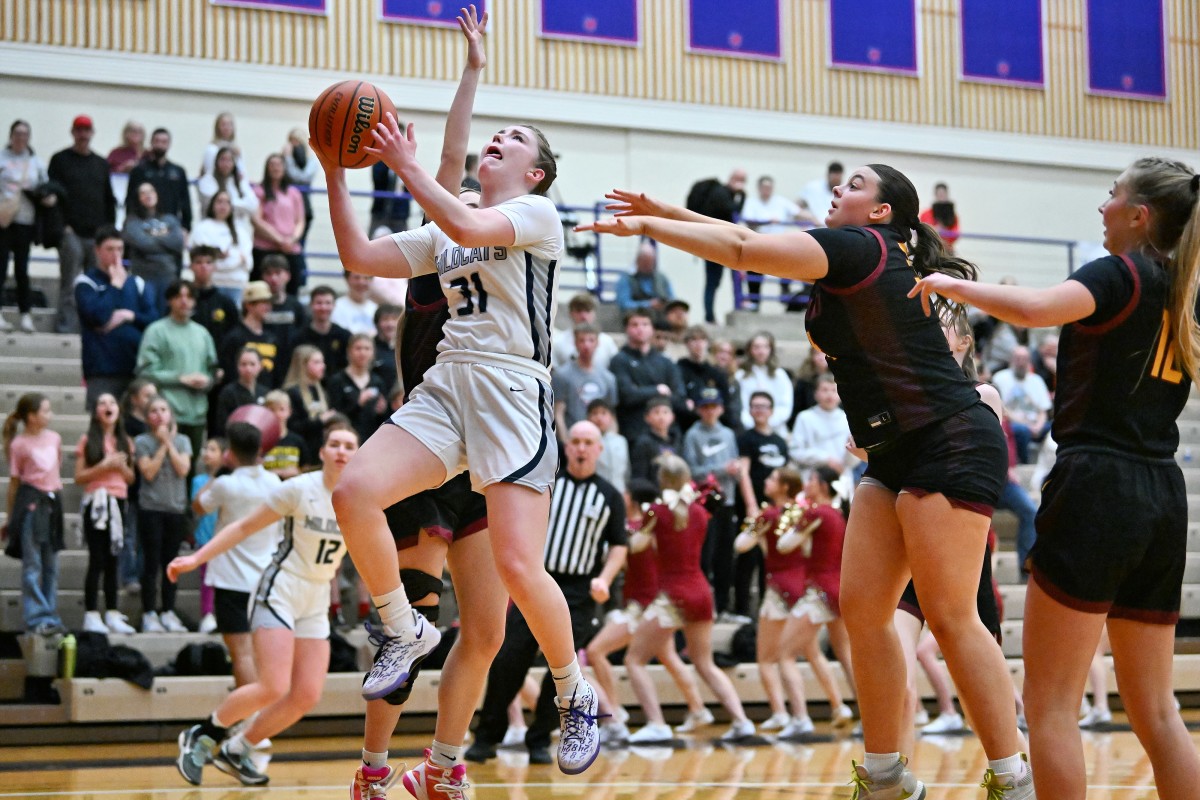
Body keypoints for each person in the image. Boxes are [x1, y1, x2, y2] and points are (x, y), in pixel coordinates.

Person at [582, 164, 1030, 798]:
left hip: (948, 437)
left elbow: (741, 249)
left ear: (880, 213)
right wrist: (664, 208)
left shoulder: (861, 248)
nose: (838, 191)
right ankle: (885, 778)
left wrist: (649, 227)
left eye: (854, 186)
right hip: (892, 448)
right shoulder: (852, 251)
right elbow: (742, 235)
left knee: (954, 618)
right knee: (865, 613)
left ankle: (1013, 780)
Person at [317, 67, 606, 774]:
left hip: (511, 392)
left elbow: (468, 218)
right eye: (494, 134)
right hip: (448, 387)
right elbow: (359, 255)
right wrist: (333, 172)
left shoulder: (538, 217)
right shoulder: (447, 227)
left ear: (535, 173)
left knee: (514, 565)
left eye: (513, 140)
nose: (496, 141)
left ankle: (574, 693)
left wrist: (406, 163)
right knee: (353, 491)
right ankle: (401, 627)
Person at [909, 156, 1200, 800]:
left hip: (1099, 485)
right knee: (1157, 712)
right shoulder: (1182, 287)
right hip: (1161, 492)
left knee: (1049, 707)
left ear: (1139, 214)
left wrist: (954, 287)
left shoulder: (1119, 273)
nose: (1102, 206)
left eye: (1112, 194)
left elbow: (1038, 307)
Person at [172, 425, 360, 787]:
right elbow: (243, 527)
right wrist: (196, 559)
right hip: (280, 591)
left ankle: (240, 747)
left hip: (316, 598)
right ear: (320, 452)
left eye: (349, 446)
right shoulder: (296, 489)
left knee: (306, 694)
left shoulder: (359, 498)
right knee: (273, 685)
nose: (340, 451)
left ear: (358, 454)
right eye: (333, 444)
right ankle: (203, 734)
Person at [465, 420, 627, 765]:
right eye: (577, 442)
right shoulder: (546, 484)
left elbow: (618, 547)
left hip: (581, 593)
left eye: (589, 442)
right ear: (567, 448)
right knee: (510, 659)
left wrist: (605, 578)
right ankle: (486, 737)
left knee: (562, 669)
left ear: (599, 449)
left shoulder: (610, 496)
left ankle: (539, 739)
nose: (582, 448)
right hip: (538, 581)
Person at [624, 454, 756, 743]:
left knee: (634, 659)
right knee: (704, 663)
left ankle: (657, 724)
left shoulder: (657, 511)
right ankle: (742, 721)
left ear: (662, 482)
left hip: (672, 596)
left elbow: (636, 546)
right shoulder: (699, 512)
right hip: (701, 591)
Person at [191, 422, 282, 687]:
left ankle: (249, 718)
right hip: (265, 578)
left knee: (241, 654)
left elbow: (198, 505)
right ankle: (259, 717)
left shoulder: (224, 484)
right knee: (258, 653)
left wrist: (217, 471)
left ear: (229, 452)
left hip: (231, 581)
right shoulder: (274, 481)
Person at [682, 387, 751, 621]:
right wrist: (723, 469)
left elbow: (735, 468)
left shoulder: (728, 434)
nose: (710, 411)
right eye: (705, 407)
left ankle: (722, 607)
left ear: (721, 408)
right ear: (700, 409)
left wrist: (736, 472)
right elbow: (691, 472)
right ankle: (704, 606)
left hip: (727, 501)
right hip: (704, 504)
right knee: (705, 555)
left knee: (725, 556)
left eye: (714, 407)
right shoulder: (692, 435)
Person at [3, 393, 66, 636]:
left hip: (52, 504)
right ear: (31, 417)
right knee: (33, 565)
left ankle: (49, 613)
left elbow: (55, 469)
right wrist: (10, 518)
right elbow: (15, 483)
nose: (49, 415)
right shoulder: (19, 444)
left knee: (52, 564)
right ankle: (36, 616)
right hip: (30, 505)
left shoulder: (54, 438)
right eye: (45, 411)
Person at [75, 393, 137, 635]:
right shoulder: (87, 440)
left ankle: (112, 612)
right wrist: (103, 466)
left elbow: (131, 478)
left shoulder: (126, 441)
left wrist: (120, 466)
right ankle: (91, 614)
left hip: (118, 502)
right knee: (97, 559)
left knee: (114, 560)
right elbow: (79, 477)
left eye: (112, 403)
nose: (107, 406)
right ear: (96, 412)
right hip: (97, 501)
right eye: (102, 403)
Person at [75, 226, 158, 408]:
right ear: (97, 250)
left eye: (119, 249)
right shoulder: (86, 283)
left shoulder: (137, 283)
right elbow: (97, 317)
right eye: (110, 249)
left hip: (135, 368)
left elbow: (153, 320)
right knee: (102, 424)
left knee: (135, 425)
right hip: (102, 369)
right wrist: (115, 286)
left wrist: (129, 315)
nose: (116, 255)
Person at [49, 115, 117, 333]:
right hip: (71, 232)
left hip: (96, 235)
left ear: (92, 133)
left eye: (86, 130)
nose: (83, 134)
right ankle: (66, 326)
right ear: (73, 133)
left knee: (95, 282)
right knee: (70, 281)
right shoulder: (59, 160)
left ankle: (91, 325)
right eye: (79, 130)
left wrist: (108, 232)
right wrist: (62, 228)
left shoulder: (100, 163)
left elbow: (108, 198)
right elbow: (53, 198)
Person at [136, 279, 218, 456]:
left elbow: (213, 370)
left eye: (189, 296)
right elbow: (145, 371)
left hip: (197, 412)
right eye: (179, 296)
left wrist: (207, 380)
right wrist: (179, 378)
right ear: (169, 300)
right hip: (166, 412)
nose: (184, 301)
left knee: (191, 466)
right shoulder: (156, 331)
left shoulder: (202, 333)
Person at [133, 396, 192, 633]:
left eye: (163, 409)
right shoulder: (142, 441)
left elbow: (183, 469)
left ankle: (168, 611)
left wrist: (169, 443)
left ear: (171, 414)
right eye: (154, 411)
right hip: (151, 509)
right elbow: (148, 472)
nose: (159, 414)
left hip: (175, 509)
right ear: (148, 418)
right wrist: (161, 445)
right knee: (151, 562)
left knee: (172, 563)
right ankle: (149, 613)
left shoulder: (183, 440)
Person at [0, 120, 51, 333]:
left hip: (26, 221)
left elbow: (46, 187)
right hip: (3, 220)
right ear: (11, 135)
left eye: (25, 134)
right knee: (0, 267)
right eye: (17, 133)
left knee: (22, 269)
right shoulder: (2, 158)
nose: (21, 138)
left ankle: (25, 314)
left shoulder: (36, 163)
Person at [610, 309, 686, 442]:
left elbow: (679, 396)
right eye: (635, 325)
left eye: (645, 324)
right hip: (634, 431)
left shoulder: (665, 362)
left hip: (667, 433)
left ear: (652, 329)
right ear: (626, 329)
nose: (640, 329)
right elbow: (627, 395)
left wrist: (640, 391)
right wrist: (658, 390)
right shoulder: (619, 360)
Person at [685, 169, 745, 324]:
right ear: (732, 179)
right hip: (717, 244)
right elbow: (733, 209)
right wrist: (743, 195)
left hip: (716, 243)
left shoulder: (720, 193)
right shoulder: (721, 193)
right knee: (713, 282)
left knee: (723, 279)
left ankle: (717, 314)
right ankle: (710, 316)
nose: (741, 184)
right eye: (739, 180)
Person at [740, 175, 804, 310]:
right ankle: (754, 303)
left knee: (789, 264)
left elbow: (798, 212)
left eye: (769, 187)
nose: (767, 190)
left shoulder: (780, 201)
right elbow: (748, 220)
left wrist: (815, 220)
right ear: (759, 188)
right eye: (764, 187)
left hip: (779, 243)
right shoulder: (752, 202)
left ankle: (784, 290)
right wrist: (768, 221)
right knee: (755, 273)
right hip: (759, 243)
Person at [123, 181, 186, 315]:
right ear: (137, 198)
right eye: (143, 192)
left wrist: (151, 235)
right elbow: (142, 244)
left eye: (151, 191)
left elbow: (178, 243)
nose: (148, 195)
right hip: (144, 276)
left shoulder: (170, 219)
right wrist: (164, 239)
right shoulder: (132, 221)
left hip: (168, 276)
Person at [250, 154, 306, 292]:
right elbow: (256, 220)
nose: (276, 168)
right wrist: (279, 240)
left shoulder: (294, 193)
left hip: (290, 248)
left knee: (293, 288)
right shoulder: (259, 191)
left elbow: (300, 221)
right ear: (267, 169)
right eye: (272, 165)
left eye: (279, 164)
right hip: (265, 248)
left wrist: (292, 239)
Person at [552, 323, 617, 438]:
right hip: (574, 436)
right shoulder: (562, 375)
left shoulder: (608, 377)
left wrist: (612, 440)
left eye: (591, 340)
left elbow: (612, 415)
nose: (586, 345)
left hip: (599, 439)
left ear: (598, 343)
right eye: (582, 340)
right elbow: (558, 413)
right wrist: (566, 442)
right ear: (575, 343)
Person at [192, 190, 254, 307]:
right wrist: (232, 258)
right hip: (213, 283)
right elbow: (204, 255)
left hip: (236, 284)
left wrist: (225, 257)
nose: (223, 206)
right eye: (219, 202)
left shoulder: (240, 231)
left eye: (227, 202)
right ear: (212, 205)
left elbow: (247, 259)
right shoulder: (202, 228)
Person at [191, 436, 227, 634]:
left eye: (212, 449)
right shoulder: (199, 480)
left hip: (225, 537)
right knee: (207, 579)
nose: (206, 453)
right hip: (206, 537)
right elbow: (197, 504)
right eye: (205, 449)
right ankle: (207, 615)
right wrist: (215, 479)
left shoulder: (232, 481)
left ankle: (221, 614)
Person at [992, 345, 1052, 463]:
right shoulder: (1000, 378)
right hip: (1012, 423)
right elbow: (1001, 408)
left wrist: (1038, 426)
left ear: (1029, 361)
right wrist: (1027, 425)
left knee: (1057, 426)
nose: (1021, 362)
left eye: (1024, 359)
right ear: (1011, 360)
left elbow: (1043, 411)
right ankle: (1025, 464)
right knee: (1022, 430)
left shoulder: (1037, 380)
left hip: (1036, 423)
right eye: (1018, 358)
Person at [788, 374, 853, 479]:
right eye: (825, 390)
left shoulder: (847, 418)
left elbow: (855, 451)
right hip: (812, 477)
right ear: (816, 394)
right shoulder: (805, 417)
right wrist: (826, 459)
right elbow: (796, 451)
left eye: (833, 390)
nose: (829, 395)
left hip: (841, 476)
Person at [218, 281, 281, 389]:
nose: (268, 307)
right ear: (249, 305)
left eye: (269, 303)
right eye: (264, 302)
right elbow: (229, 374)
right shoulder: (234, 338)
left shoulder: (272, 338)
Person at [127, 128, 192, 232]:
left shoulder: (178, 172)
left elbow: (185, 202)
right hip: (144, 224)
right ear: (151, 142)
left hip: (170, 225)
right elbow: (130, 201)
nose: (160, 145)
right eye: (157, 141)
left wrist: (186, 228)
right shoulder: (139, 171)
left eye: (164, 141)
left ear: (169, 144)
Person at [328, 333, 388, 443]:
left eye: (367, 349)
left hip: (372, 441)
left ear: (373, 352)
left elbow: (383, 419)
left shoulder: (378, 381)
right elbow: (334, 415)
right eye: (358, 348)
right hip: (345, 440)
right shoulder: (337, 381)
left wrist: (383, 411)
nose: (362, 353)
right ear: (349, 351)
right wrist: (358, 403)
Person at [282, 345, 337, 459]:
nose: (323, 366)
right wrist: (320, 421)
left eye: (322, 362)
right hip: (300, 451)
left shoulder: (322, 391)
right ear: (303, 365)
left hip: (320, 451)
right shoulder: (291, 393)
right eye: (317, 362)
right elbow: (291, 426)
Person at [736, 331, 793, 435]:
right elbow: (740, 406)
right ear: (750, 350)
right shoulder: (741, 376)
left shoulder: (780, 375)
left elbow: (785, 405)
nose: (761, 351)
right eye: (756, 347)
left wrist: (767, 423)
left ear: (771, 350)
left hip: (776, 430)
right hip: (748, 429)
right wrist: (755, 424)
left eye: (765, 347)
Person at [550, 292, 619, 371]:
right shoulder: (558, 341)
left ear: (594, 313)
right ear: (570, 313)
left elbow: (615, 370)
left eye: (587, 310)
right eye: (579, 311)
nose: (583, 316)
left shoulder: (607, 342)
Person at [291, 285, 351, 375]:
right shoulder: (299, 338)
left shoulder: (345, 336)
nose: (323, 308)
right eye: (319, 303)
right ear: (311, 305)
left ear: (334, 305)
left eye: (327, 303)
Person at [189, 245, 239, 347]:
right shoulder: (183, 300)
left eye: (208, 262)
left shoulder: (225, 303)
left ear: (215, 267)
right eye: (198, 262)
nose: (203, 266)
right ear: (191, 266)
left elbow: (234, 334)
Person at [214, 348, 268, 436]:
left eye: (252, 364)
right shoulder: (228, 392)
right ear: (237, 367)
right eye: (243, 364)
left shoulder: (265, 393)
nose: (248, 369)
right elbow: (222, 425)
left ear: (260, 367)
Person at [615, 238, 674, 316]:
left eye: (651, 262)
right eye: (645, 262)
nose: (648, 266)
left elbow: (673, 300)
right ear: (637, 261)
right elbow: (624, 304)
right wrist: (648, 304)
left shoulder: (662, 277)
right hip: (636, 317)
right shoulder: (626, 278)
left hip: (661, 318)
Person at [260, 254, 308, 348]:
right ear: (263, 277)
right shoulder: (257, 306)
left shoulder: (296, 306)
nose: (273, 278)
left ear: (288, 276)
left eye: (278, 273)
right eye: (269, 273)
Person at [282, 129, 318, 244]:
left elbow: (303, 177)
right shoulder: (283, 158)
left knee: (299, 243)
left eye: (297, 141)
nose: (294, 146)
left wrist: (288, 160)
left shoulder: (311, 159)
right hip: (287, 205)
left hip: (304, 204)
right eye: (291, 142)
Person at [260, 390, 305, 479]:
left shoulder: (297, 441)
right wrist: (274, 473)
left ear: (289, 412)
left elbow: (305, 468)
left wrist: (297, 471)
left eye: (281, 409)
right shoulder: (259, 441)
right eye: (272, 410)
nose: (277, 414)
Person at [587, 398, 628, 495]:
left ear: (611, 418)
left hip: (619, 492)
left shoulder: (621, 441)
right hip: (594, 493)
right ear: (588, 418)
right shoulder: (585, 441)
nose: (599, 418)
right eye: (595, 413)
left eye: (604, 413)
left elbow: (627, 472)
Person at [796, 161, 843, 226]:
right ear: (828, 175)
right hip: (813, 228)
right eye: (834, 179)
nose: (835, 182)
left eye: (837, 180)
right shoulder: (813, 187)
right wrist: (809, 217)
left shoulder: (843, 192)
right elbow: (797, 207)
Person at [332, 271, 379, 336]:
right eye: (356, 278)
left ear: (371, 281)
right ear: (347, 280)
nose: (361, 282)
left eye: (366, 278)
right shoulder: (335, 307)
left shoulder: (375, 309)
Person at [200, 112, 245, 178]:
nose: (227, 128)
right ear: (217, 127)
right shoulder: (211, 148)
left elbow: (242, 173)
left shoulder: (236, 149)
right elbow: (209, 172)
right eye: (223, 125)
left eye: (229, 125)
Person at [919, 183, 960, 253]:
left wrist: (944, 236)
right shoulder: (926, 214)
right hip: (930, 248)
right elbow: (922, 230)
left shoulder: (953, 216)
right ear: (935, 195)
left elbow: (955, 233)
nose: (941, 196)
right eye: (939, 194)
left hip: (947, 249)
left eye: (943, 194)